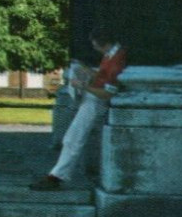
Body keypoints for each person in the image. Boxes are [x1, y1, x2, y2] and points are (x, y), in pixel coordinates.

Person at [32, 30, 125, 190]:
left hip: (96, 102)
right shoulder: (112, 54)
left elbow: (107, 93)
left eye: (96, 46)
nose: (95, 49)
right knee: (72, 137)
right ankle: (56, 175)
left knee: (73, 138)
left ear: (104, 44)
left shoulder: (116, 59)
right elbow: (103, 78)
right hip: (93, 98)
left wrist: (82, 86)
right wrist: (84, 70)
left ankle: (56, 176)